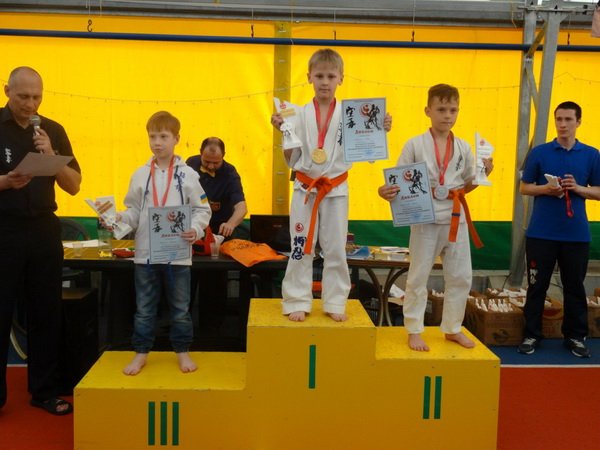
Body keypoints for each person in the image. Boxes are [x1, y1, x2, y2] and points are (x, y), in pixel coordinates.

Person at [271, 48, 392, 322]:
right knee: (301, 245)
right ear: (309, 77)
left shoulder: (353, 114)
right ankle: (296, 300)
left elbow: (367, 150)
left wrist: (379, 128)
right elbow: (292, 159)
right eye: (319, 76)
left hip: (336, 189)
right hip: (305, 188)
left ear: (341, 78)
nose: (325, 82)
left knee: (336, 247)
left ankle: (335, 301)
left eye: (330, 76)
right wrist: (283, 132)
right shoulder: (295, 114)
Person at [378, 83, 493, 352]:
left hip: (455, 217)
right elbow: (398, 181)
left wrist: (484, 173)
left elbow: (468, 185)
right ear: (428, 110)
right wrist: (385, 191)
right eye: (441, 109)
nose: (447, 115)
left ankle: (452, 328)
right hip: (424, 218)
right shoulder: (415, 144)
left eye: (453, 110)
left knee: (461, 276)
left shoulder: (464, 147)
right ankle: (413, 329)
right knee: (418, 275)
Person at [0, 66, 81, 415]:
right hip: (4, 228)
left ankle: (45, 390)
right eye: (23, 96)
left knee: (46, 311)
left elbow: (74, 185)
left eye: (37, 97)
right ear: (7, 91)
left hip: (44, 230)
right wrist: (6, 182)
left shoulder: (53, 130)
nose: (30, 104)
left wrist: (49, 155)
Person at [116, 111, 211, 375]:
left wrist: (195, 229)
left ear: (177, 138)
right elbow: (133, 211)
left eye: (163, 136)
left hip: (177, 254)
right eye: (152, 136)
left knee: (180, 309)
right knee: (144, 309)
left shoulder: (188, 175)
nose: (157, 142)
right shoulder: (139, 174)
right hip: (145, 254)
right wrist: (118, 219)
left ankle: (182, 351)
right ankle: (141, 353)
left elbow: (202, 209)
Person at [518, 101, 600, 358]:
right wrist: (546, 189)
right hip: (540, 234)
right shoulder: (540, 152)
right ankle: (532, 334)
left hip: (576, 235)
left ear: (578, 122)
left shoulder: (592, 154)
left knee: (574, 286)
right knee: (536, 286)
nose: (562, 124)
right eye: (559, 119)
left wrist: (578, 189)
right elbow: (524, 187)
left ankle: (575, 336)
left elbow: (598, 191)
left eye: (568, 119)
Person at [186, 137, 248, 239]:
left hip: (219, 230)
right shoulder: (190, 163)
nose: (211, 166)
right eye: (206, 161)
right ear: (200, 152)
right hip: (193, 226)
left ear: (223, 155)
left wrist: (230, 224)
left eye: (216, 163)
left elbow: (241, 207)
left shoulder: (230, 174)